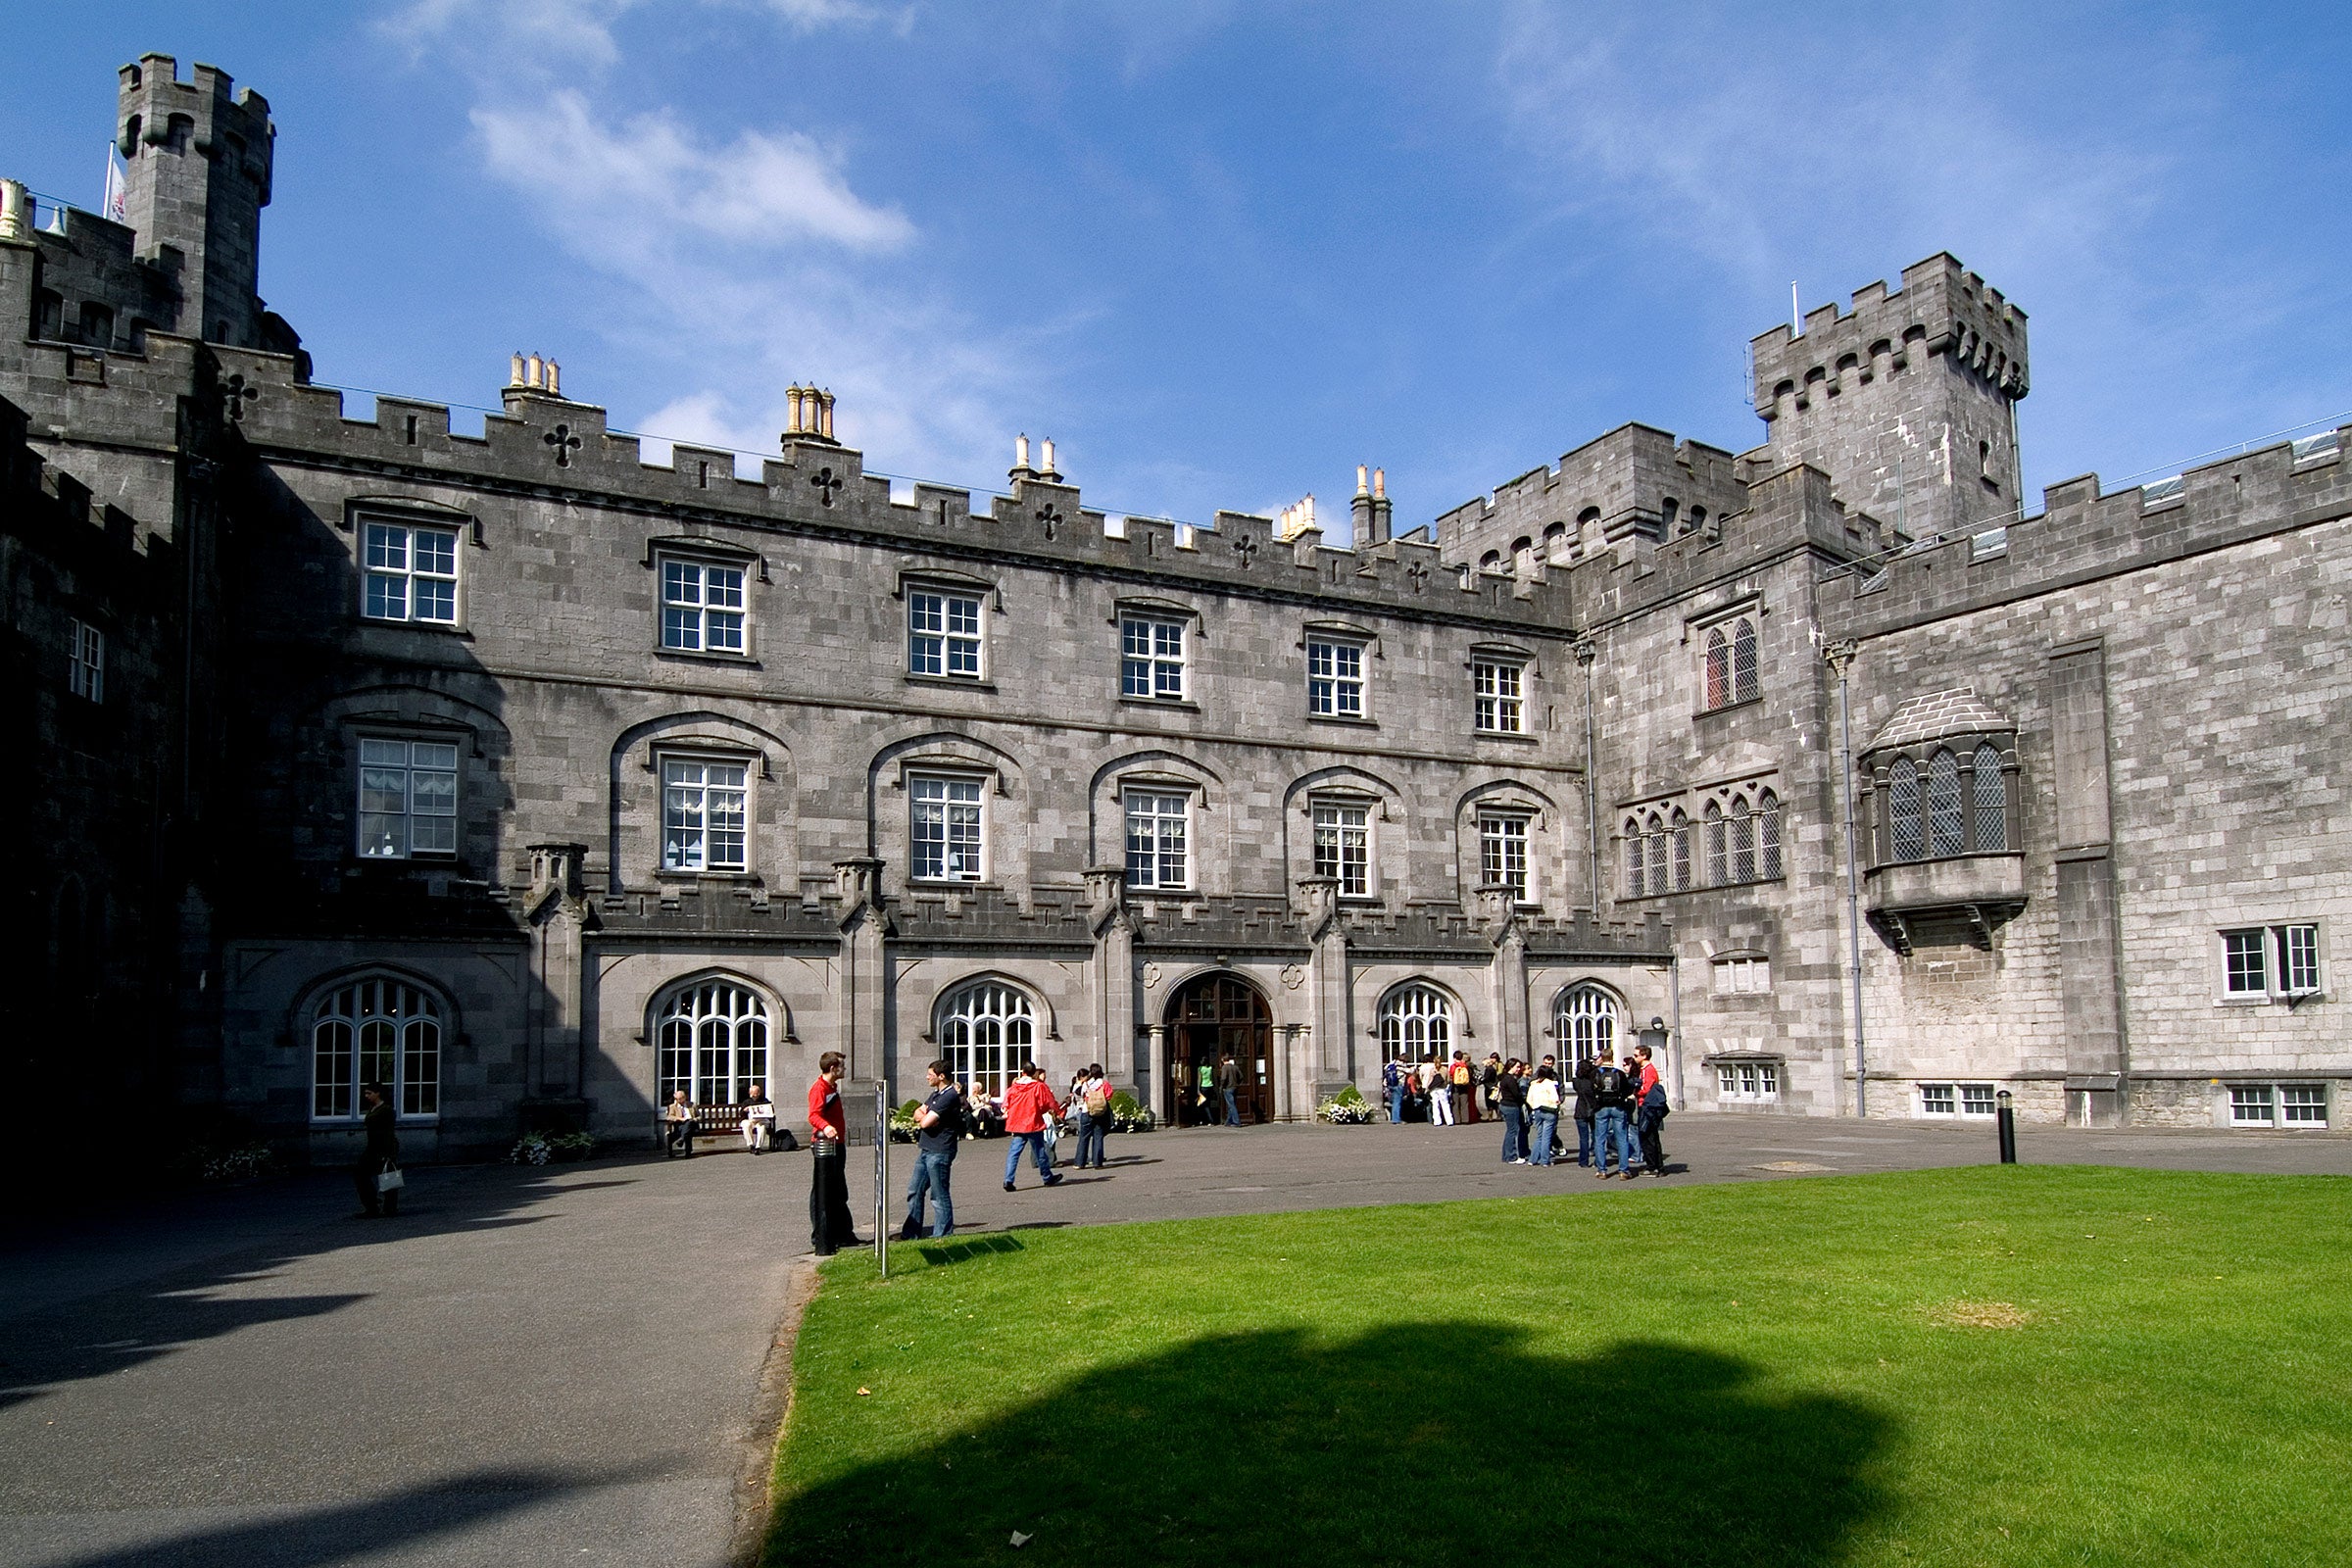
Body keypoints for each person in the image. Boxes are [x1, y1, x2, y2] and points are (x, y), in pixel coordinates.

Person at [900, 1058, 962, 1239]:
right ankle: (911, 1234)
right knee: (914, 1191)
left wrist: (924, 1117)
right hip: (926, 1150)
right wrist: (923, 1116)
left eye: (930, 1075)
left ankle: (942, 1235)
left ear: (941, 1076)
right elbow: (917, 1113)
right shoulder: (936, 1094)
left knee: (938, 1195)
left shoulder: (949, 1096)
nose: (927, 1077)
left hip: (940, 1151)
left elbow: (925, 1122)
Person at [807, 1052, 861, 1254]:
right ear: (833, 1069)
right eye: (842, 1067)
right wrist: (826, 1127)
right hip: (826, 1146)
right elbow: (813, 1115)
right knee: (823, 1192)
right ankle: (821, 1235)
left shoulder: (831, 1087)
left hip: (836, 1144)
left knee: (838, 1190)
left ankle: (843, 1233)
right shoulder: (819, 1089)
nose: (845, 1070)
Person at [1002, 1061, 1066, 1191]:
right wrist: (1059, 1112)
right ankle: (1047, 1176)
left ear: (1022, 1072)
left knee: (1014, 1153)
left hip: (1017, 1122)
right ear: (1034, 1072)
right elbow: (1047, 1102)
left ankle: (1008, 1179)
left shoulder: (1014, 1087)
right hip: (1032, 1121)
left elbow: (1006, 1102)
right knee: (1039, 1151)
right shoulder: (1038, 1086)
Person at [354, 1082, 400, 1217]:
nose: (366, 1096)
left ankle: (388, 1208)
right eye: (366, 1093)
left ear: (377, 1093)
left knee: (388, 1176)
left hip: (384, 1147)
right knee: (360, 1175)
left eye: (369, 1093)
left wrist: (389, 1152)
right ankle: (372, 1205)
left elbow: (388, 1132)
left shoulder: (386, 1110)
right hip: (372, 1146)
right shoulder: (373, 1108)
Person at [1592, 1047, 1639, 1179]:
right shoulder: (1619, 1073)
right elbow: (1628, 1089)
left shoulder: (1596, 1073)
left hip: (1601, 1107)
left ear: (1601, 1058)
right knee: (1622, 1139)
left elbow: (1591, 1090)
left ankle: (1602, 1170)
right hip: (1618, 1107)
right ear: (1612, 1058)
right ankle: (1623, 1170)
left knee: (1600, 1139)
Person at [1634, 1043, 1670, 1178]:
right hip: (1645, 1105)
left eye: (1636, 1055)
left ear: (1644, 1056)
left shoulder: (1648, 1070)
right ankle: (1655, 1166)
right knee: (1648, 1137)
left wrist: (1635, 1092)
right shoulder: (1643, 1069)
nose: (1634, 1057)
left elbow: (1646, 1089)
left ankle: (1654, 1166)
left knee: (1648, 1137)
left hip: (1648, 1107)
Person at [1072, 1063, 1112, 1169]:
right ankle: (1097, 1162)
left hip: (1087, 1111)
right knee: (1098, 1137)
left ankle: (1079, 1163)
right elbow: (1109, 1095)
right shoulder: (1104, 1083)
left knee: (1083, 1137)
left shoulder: (1086, 1084)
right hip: (1100, 1112)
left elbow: (1079, 1093)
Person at [1527, 1065, 1563, 1166]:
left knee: (1539, 1136)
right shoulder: (1550, 1083)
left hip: (1537, 1110)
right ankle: (1544, 1160)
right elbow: (1555, 1098)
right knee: (1546, 1137)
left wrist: (1534, 1106)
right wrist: (1556, 1105)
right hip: (1549, 1111)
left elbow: (1529, 1099)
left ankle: (1532, 1159)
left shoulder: (1533, 1084)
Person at [1497, 1056, 1530, 1164]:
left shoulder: (1505, 1077)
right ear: (1511, 1066)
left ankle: (1506, 1155)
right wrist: (1524, 1100)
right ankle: (1511, 1156)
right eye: (1517, 1067)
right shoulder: (1510, 1079)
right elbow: (1516, 1094)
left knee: (1510, 1131)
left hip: (1507, 1105)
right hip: (1511, 1106)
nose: (1519, 1069)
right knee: (1512, 1131)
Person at [1571, 1054, 1599, 1168]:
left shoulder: (1576, 1081)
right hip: (1593, 1109)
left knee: (1583, 1138)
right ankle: (1598, 1160)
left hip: (1580, 1110)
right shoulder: (1592, 1082)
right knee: (1596, 1137)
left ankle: (1583, 1161)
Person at [741, 1082, 775, 1153]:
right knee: (746, 1125)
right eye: (752, 1093)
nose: (754, 1095)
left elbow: (771, 1112)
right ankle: (751, 1145)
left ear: (759, 1093)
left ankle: (758, 1147)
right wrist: (745, 1110)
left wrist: (769, 1108)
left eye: (756, 1093)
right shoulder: (747, 1102)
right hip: (750, 1120)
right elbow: (741, 1114)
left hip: (761, 1120)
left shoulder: (764, 1100)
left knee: (762, 1127)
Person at [662, 1088, 695, 1158]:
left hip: (692, 1125)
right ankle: (685, 1147)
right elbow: (669, 1117)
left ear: (684, 1098)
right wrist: (680, 1119)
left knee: (689, 1122)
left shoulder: (692, 1105)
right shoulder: (673, 1107)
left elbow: (699, 1117)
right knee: (687, 1133)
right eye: (677, 1099)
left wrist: (694, 1119)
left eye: (680, 1099)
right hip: (680, 1126)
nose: (678, 1101)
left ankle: (682, 1139)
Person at [1423, 1057, 1454, 1126]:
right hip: (1442, 1088)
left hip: (1434, 1089)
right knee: (1445, 1104)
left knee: (1435, 1105)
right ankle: (1449, 1121)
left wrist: (1427, 1088)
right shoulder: (1445, 1069)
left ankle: (1437, 1121)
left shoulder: (1432, 1070)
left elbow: (1430, 1080)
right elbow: (1448, 1080)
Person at [1216, 1052, 1243, 1127]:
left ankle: (1237, 1121)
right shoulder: (1235, 1067)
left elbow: (1223, 1078)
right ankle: (1228, 1121)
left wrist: (1221, 1086)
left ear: (1222, 1059)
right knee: (1231, 1104)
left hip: (1228, 1088)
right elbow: (1241, 1076)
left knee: (1231, 1105)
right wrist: (1237, 1084)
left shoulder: (1224, 1067)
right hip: (1235, 1087)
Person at [1449, 1054, 1475, 1126]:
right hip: (1464, 1085)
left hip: (1455, 1086)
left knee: (1455, 1103)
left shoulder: (1453, 1066)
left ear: (1455, 1058)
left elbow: (1451, 1074)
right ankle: (1465, 1119)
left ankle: (1457, 1120)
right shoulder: (1465, 1066)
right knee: (1465, 1103)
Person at [1382, 1057, 1405, 1124]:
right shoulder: (1401, 1066)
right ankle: (1396, 1119)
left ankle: (1395, 1118)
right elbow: (1410, 1071)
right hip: (1398, 1085)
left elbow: (1385, 1068)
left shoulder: (1391, 1065)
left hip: (1391, 1085)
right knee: (1397, 1103)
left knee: (1395, 1102)